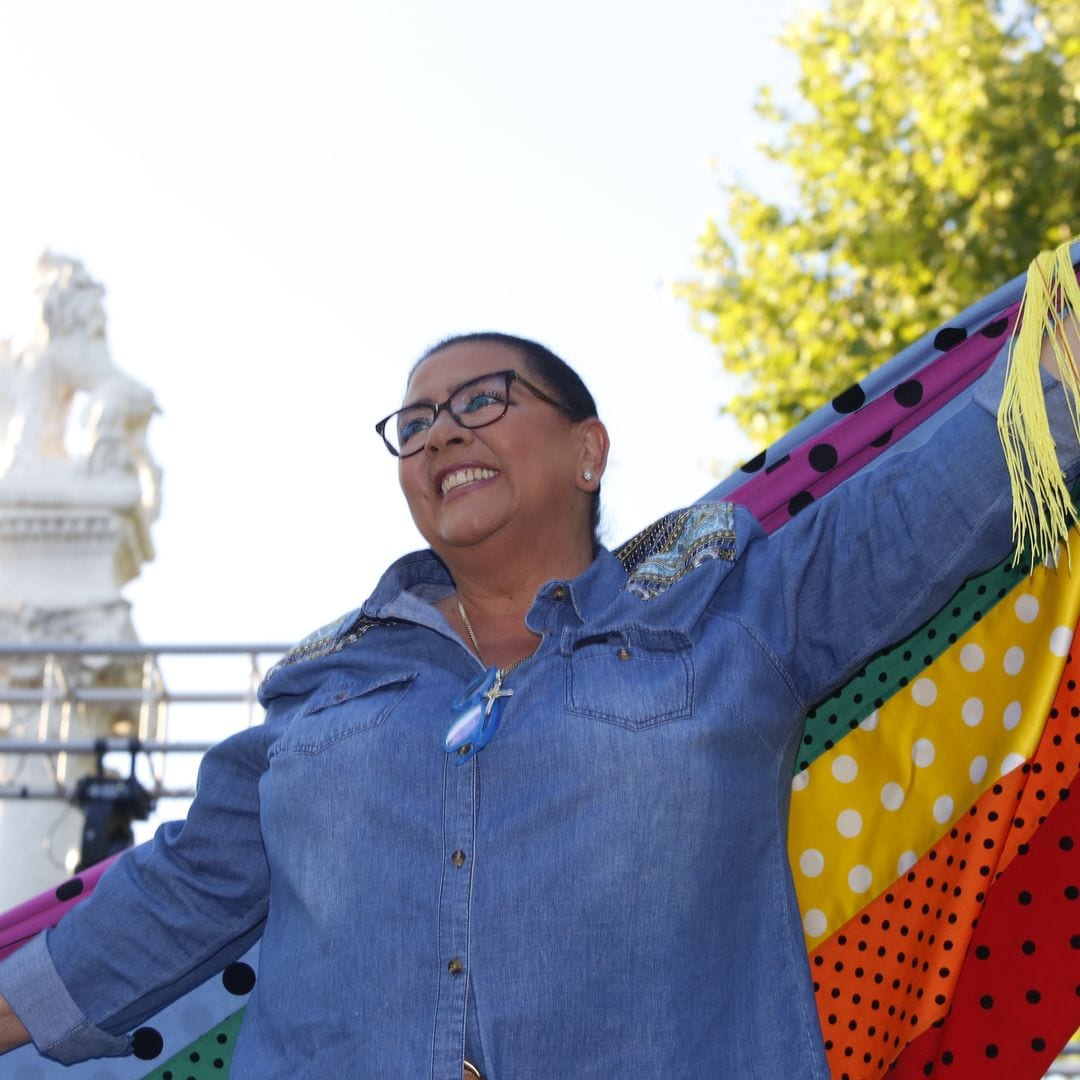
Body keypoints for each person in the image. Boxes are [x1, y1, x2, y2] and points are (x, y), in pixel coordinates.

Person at [0, 324, 1077, 1079]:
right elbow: (178, 893)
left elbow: (944, 494)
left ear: (586, 450)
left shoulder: (740, 607)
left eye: (481, 401)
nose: (438, 433)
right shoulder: (321, 690)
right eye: (413, 422)